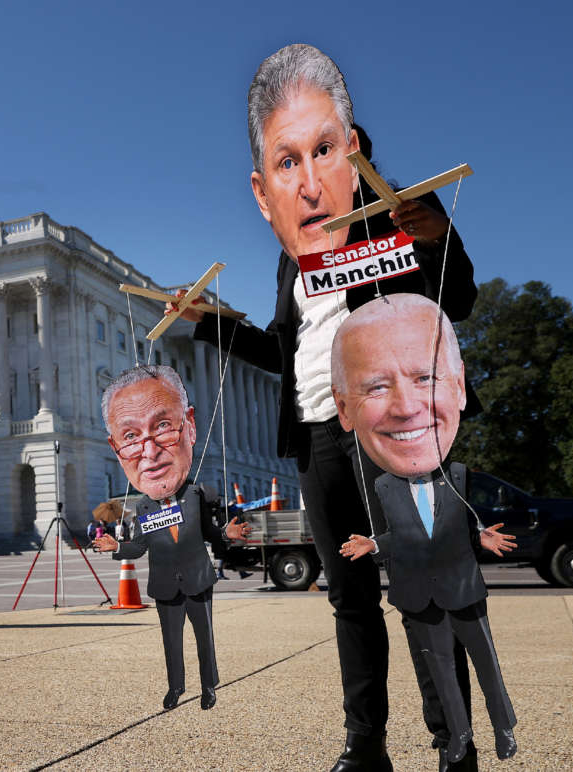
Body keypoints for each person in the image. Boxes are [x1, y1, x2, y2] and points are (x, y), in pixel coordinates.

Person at [176, 44, 481, 771]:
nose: (315, 183)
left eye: (334, 155)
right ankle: (364, 744)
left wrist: (433, 234)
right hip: (316, 434)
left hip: (385, 432)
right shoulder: (297, 255)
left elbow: (458, 298)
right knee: (349, 598)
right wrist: (206, 320)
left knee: (421, 590)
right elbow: (286, 350)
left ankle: (454, 745)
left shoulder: (399, 218)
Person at [334, 295, 517, 764]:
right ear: (344, 407)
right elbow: (406, 536)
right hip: (420, 596)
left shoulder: (455, 478)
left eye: (424, 378)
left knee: (485, 666)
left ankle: (502, 728)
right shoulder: (389, 490)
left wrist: (483, 537)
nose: (406, 407)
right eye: (377, 387)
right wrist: (373, 542)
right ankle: (453, 737)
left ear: (457, 387)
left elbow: (460, 525)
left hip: (462, 589)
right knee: (441, 673)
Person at [91, 365, 250, 711]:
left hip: (197, 580)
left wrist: (229, 534)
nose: (149, 453)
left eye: (163, 427)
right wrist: (115, 547)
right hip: (164, 585)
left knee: (204, 639)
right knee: (171, 642)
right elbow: (139, 546)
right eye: (130, 437)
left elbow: (211, 533)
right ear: (115, 447)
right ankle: (175, 687)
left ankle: (209, 686)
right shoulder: (143, 508)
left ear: (189, 426)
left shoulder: (198, 495)